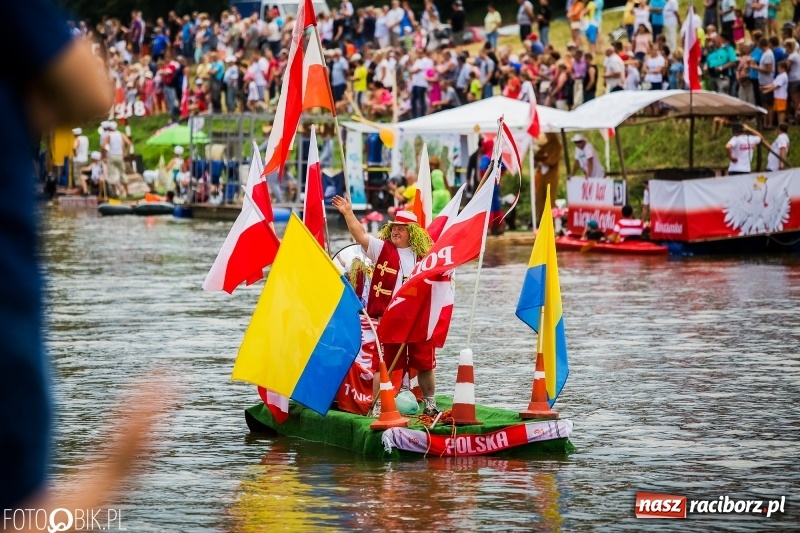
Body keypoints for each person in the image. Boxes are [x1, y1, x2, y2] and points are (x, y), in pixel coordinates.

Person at [330, 197, 440, 416]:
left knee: (425, 363)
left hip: (418, 319)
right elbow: (360, 235)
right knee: (385, 364)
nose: (396, 231)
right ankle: (378, 406)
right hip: (391, 318)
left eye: (401, 228)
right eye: (394, 227)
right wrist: (348, 213)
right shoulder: (382, 249)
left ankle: (430, 405)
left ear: (412, 233)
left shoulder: (426, 256)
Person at [101, 121, 132, 197]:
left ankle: (115, 193)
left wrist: (104, 154)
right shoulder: (121, 134)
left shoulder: (108, 135)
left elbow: (103, 146)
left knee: (111, 174)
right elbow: (129, 143)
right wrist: (125, 152)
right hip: (120, 155)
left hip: (111, 155)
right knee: (122, 173)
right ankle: (127, 192)